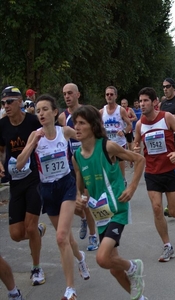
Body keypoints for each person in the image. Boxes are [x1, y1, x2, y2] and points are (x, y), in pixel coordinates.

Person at [16, 94, 90, 300]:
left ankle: (70, 289)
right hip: (47, 190)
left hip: (66, 185)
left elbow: (87, 137)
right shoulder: (34, 135)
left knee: (60, 237)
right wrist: (32, 145)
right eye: (38, 110)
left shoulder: (63, 131)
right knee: (67, 239)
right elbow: (20, 164)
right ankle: (80, 257)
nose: (41, 113)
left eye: (45, 109)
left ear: (54, 112)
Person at [72, 105, 147, 300]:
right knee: (113, 268)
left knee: (102, 258)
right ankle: (140, 298)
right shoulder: (77, 156)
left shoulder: (107, 146)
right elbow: (81, 189)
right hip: (101, 213)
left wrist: (131, 188)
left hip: (117, 209)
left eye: (82, 123)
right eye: (75, 123)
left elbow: (139, 160)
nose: (77, 127)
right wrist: (79, 200)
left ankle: (133, 266)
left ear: (93, 126)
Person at [133, 87, 175, 263]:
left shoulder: (166, 118)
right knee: (157, 208)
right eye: (140, 101)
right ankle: (167, 246)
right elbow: (135, 144)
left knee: (172, 213)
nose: (142, 104)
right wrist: (134, 149)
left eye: (145, 101)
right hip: (152, 172)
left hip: (169, 170)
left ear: (155, 102)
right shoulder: (140, 124)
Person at [0, 86, 46, 287]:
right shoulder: (2, 125)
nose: (6, 106)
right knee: (16, 234)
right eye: (3, 103)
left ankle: (36, 268)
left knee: (29, 226)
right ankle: (38, 230)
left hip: (35, 179)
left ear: (20, 102)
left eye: (9, 102)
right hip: (15, 181)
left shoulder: (33, 122)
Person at [58, 83, 99, 251]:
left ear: (77, 95)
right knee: (76, 205)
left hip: (87, 163)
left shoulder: (88, 112)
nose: (66, 96)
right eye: (64, 94)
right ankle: (82, 218)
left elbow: (98, 134)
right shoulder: (62, 117)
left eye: (70, 93)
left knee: (86, 201)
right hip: (71, 165)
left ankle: (93, 236)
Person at [99, 86, 132, 184]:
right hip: (107, 144)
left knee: (120, 166)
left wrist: (124, 131)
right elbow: (97, 127)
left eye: (111, 94)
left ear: (116, 96)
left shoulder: (121, 110)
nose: (109, 96)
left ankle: (123, 181)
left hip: (119, 143)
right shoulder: (101, 111)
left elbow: (129, 125)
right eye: (107, 94)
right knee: (108, 168)